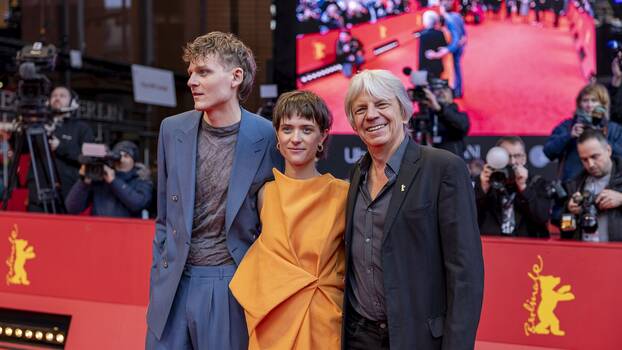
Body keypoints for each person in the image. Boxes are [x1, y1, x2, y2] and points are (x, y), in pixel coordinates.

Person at [146, 31, 283, 350]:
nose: (192, 81)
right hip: (173, 282)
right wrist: (160, 271)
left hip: (231, 281)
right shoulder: (172, 129)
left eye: (203, 72)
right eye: (191, 72)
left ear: (236, 77)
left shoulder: (267, 136)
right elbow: (164, 216)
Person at [342, 69, 484, 349]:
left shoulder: (443, 168)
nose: (371, 115)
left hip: (418, 339)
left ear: (404, 113)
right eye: (361, 109)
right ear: (354, 124)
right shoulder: (356, 173)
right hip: (360, 337)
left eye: (382, 104)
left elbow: (465, 274)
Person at [230, 90, 348, 349]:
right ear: (277, 136)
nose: (295, 138)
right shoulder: (264, 194)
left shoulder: (341, 194)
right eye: (287, 129)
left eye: (306, 129)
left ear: (322, 137)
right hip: (271, 319)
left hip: (323, 321)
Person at [27, 86, 94, 212]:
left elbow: (88, 159)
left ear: (73, 102)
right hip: (38, 194)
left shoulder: (82, 128)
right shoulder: (39, 125)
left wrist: (60, 147)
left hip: (67, 195)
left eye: (62, 96)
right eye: (54, 95)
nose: (57, 98)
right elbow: (22, 148)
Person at [543, 83, 622, 182]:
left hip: (607, 184)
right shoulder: (568, 126)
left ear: (603, 104)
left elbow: (620, 154)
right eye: (585, 100)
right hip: (573, 185)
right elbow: (548, 151)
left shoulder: (613, 128)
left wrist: (600, 137)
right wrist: (569, 136)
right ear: (579, 104)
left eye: (594, 101)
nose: (589, 105)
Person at [475, 136, 550, 238]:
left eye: (517, 156)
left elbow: (542, 218)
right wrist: (483, 188)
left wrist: (524, 188)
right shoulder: (486, 181)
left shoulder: (537, 182)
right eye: (507, 156)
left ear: (524, 158)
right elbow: (468, 217)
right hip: (491, 245)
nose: (513, 161)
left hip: (527, 245)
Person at [562, 129, 622, 242]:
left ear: (608, 150)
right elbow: (565, 232)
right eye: (584, 159)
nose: (590, 164)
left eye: (595, 157)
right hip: (585, 254)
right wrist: (570, 212)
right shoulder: (575, 184)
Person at [64, 140, 152, 218]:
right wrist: (84, 181)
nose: (122, 159)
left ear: (134, 161)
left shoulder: (141, 179)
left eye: (126, 155)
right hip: (100, 231)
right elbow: (72, 209)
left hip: (129, 232)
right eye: (119, 154)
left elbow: (137, 204)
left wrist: (113, 181)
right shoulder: (101, 177)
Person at [410, 78, 470, 156]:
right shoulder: (426, 115)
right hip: (429, 161)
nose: (441, 93)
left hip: (451, 161)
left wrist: (439, 109)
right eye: (437, 90)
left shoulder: (458, 115)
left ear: (452, 94)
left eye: (444, 90)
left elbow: (462, 125)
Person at [438, 0, 467, 98]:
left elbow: (456, 38)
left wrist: (448, 49)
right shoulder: (457, 15)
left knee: (455, 68)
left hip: (456, 48)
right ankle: (458, 89)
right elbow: (464, 34)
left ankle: (458, 91)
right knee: (457, 68)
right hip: (461, 47)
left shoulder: (449, 19)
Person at [418, 11, 447, 79]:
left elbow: (421, 55)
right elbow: (444, 50)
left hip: (426, 69)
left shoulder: (423, 35)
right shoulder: (440, 33)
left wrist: (419, 71)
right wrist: (436, 55)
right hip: (438, 67)